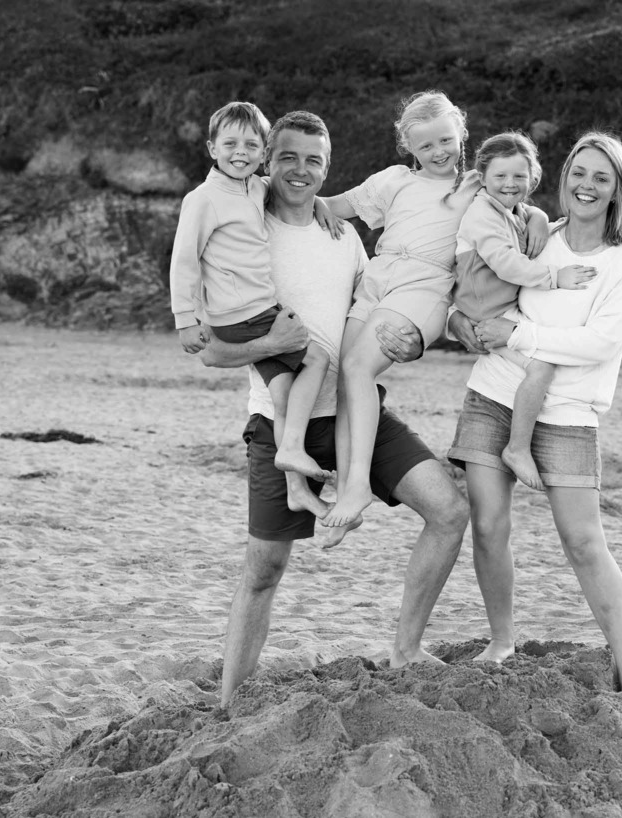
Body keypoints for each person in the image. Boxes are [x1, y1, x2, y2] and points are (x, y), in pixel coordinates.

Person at [195, 110, 469, 707]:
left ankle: (405, 649)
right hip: (278, 421)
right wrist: (273, 345)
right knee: (265, 569)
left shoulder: (343, 236)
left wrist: (416, 339)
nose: (300, 170)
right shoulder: (244, 231)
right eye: (288, 157)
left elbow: (386, 305)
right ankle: (229, 703)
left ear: (328, 168)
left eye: (313, 160)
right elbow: (210, 350)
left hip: (355, 412)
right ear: (268, 160)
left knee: (449, 510)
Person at [447, 131, 622, 696]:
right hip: (493, 394)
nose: (587, 186)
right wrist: (456, 325)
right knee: (488, 526)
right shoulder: (536, 235)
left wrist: (521, 334)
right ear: (561, 178)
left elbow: (599, 343)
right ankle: (502, 640)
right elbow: (479, 290)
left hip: (567, 413)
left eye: (601, 178)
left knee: (584, 541)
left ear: (618, 192)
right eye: (579, 173)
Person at [313, 91, 547, 530]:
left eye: (446, 140)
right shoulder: (394, 180)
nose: (438, 152)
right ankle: (348, 482)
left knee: (360, 368)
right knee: (343, 374)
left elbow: (516, 196)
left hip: (426, 283)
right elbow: (329, 206)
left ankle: (359, 484)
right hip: (378, 277)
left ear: (461, 133)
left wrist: (534, 216)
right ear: (409, 149)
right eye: (426, 146)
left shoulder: (476, 184)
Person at [169, 101, 332, 517]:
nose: (239, 152)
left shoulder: (256, 188)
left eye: (251, 144)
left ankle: (295, 485)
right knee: (316, 358)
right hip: (244, 313)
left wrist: (322, 204)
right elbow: (184, 259)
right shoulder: (203, 199)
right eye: (229, 143)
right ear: (211, 148)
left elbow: (296, 191)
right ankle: (292, 448)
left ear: (263, 153)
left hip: (259, 307)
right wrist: (186, 320)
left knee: (282, 391)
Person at [452, 131, 598, 491]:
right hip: (488, 314)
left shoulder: (510, 210)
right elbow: (505, 264)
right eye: (500, 176)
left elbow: (526, 214)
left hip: (502, 307)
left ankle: (518, 444)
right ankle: (517, 448)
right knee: (542, 365)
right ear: (482, 177)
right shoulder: (480, 216)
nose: (510, 184)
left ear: (533, 178)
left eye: (519, 177)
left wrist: (538, 215)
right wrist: (555, 276)